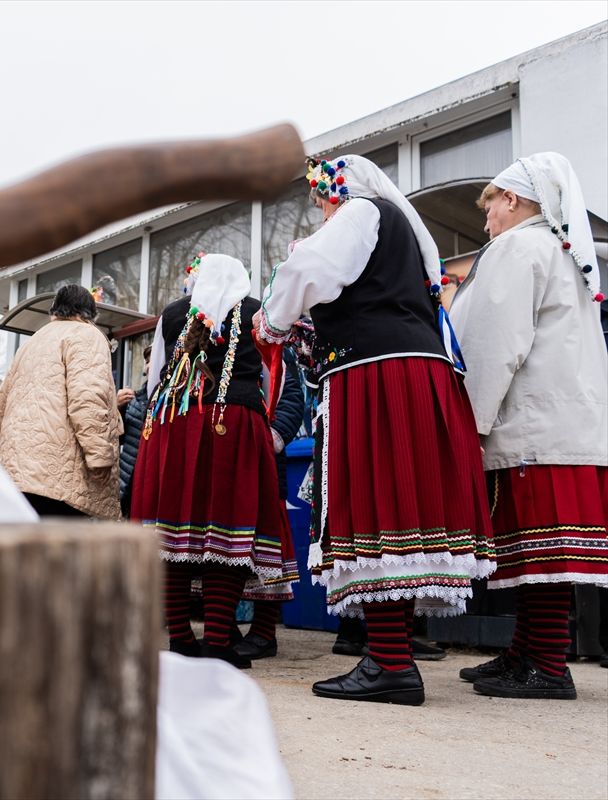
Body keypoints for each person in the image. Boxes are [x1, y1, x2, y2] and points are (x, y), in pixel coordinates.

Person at [254, 155, 494, 705]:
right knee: (399, 513)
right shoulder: (404, 231)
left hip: (376, 374)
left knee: (376, 505)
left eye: (322, 201)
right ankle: (392, 657)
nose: (322, 213)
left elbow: (307, 271)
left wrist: (271, 320)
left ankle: (389, 663)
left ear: (341, 191)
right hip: (416, 370)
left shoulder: (362, 211)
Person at [450, 152, 608, 699]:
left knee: (538, 551)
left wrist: (469, 423)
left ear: (513, 199)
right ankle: (525, 652)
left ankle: (546, 663)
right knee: (533, 553)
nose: (486, 218)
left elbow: (495, 344)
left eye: (489, 205)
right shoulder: (560, 250)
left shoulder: (519, 247)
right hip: (561, 425)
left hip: (533, 428)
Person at [131, 253, 295, 667]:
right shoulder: (257, 313)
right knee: (231, 528)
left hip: (176, 423)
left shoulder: (172, 313)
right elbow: (272, 377)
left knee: (172, 532)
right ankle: (219, 640)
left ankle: (183, 638)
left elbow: (156, 379)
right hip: (235, 424)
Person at [0, 285, 121, 518]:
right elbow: (87, 398)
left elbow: (2, 401)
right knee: (64, 549)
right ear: (90, 314)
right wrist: (99, 455)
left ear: (54, 311)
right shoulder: (86, 335)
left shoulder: (32, 342)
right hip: (61, 475)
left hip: (19, 470)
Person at [232, 345, 304, 661]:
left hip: (265, 461)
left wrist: (270, 438)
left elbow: (291, 399)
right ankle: (225, 626)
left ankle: (263, 631)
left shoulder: (271, 348)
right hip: (230, 456)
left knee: (266, 546)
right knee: (228, 546)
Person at [118, 346, 151, 519]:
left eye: (153, 359)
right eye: (146, 361)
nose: (149, 365)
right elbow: (116, 437)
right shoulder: (134, 400)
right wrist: (116, 408)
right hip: (129, 486)